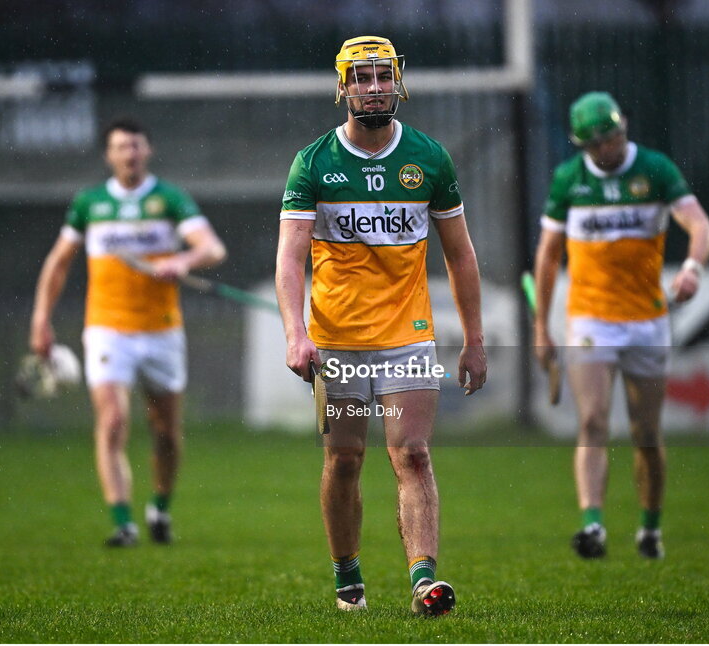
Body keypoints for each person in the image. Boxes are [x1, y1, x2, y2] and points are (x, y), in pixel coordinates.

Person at [275, 36, 486, 615]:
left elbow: (461, 255)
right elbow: (291, 256)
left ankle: (424, 582)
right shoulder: (314, 162)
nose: (374, 88)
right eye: (361, 79)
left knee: (413, 453)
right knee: (345, 459)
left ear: (399, 81)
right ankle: (348, 578)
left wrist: (474, 339)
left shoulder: (430, 159)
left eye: (383, 76)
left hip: (408, 337)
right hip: (337, 343)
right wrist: (296, 333)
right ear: (342, 87)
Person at [532, 92, 709, 560]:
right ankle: (592, 525)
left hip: (647, 321)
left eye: (612, 138)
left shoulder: (654, 170)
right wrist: (540, 328)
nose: (607, 150)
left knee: (646, 434)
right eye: (596, 145)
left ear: (622, 129)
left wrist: (693, 266)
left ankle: (649, 527)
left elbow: (700, 227)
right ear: (583, 146)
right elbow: (548, 257)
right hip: (591, 318)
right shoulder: (569, 180)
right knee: (592, 421)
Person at [29, 117, 227, 547]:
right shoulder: (91, 203)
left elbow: (212, 247)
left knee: (166, 433)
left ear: (148, 151)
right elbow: (59, 262)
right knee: (113, 420)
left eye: (136, 146)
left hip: (161, 331)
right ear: (109, 155)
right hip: (107, 329)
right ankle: (123, 523)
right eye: (121, 147)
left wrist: (183, 261)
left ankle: (159, 508)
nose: (130, 154)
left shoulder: (169, 198)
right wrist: (41, 319)